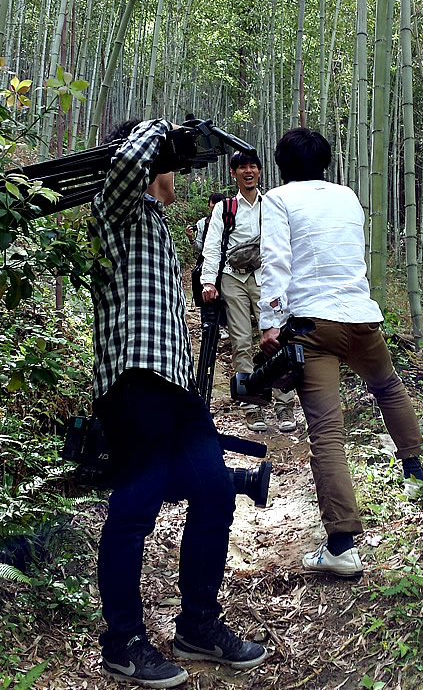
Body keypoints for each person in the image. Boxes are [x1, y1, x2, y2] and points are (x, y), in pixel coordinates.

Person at [89, 118, 267, 688]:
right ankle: (122, 641)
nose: (174, 174)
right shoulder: (113, 210)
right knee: (137, 504)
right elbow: (122, 168)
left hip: (178, 387)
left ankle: (197, 625)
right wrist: (159, 131)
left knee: (215, 492)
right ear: (149, 163)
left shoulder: (159, 226)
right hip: (134, 380)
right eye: (167, 163)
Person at [258, 127, 423, 580]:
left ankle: (342, 545)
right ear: (325, 162)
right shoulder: (348, 196)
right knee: (388, 388)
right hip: (361, 316)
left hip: (314, 325)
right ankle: (417, 475)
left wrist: (269, 323)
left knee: (327, 433)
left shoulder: (277, 199)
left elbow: (276, 261)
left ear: (281, 164)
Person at [200, 151, 297, 433]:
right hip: (233, 278)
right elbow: (213, 246)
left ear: (260, 171)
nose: (248, 171)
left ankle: (284, 404)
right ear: (233, 173)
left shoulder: (272, 205)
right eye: (242, 167)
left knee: (276, 338)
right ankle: (252, 405)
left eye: (253, 166)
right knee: (242, 341)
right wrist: (209, 282)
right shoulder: (225, 208)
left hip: (266, 277)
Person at [187, 192, 229, 339]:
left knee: (223, 295)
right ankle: (207, 327)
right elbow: (200, 247)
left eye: (220, 203)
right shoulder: (202, 223)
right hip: (207, 262)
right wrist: (191, 238)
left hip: (225, 262)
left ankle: (223, 326)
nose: (216, 206)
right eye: (214, 202)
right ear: (209, 204)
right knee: (205, 293)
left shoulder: (230, 220)